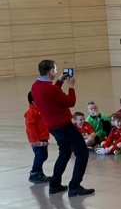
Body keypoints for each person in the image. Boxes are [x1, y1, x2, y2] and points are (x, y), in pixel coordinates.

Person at [30, 60, 92, 197]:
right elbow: (70, 102)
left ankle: (55, 184)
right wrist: (71, 86)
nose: (56, 72)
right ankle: (75, 185)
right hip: (63, 125)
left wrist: (59, 81)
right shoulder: (50, 89)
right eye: (55, 69)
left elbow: (52, 96)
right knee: (82, 152)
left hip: (52, 126)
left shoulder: (35, 86)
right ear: (51, 71)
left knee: (64, 152)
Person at [25, 92, 50, 185]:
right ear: (34, 102)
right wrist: (35, 140)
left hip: (43, 137)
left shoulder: (39, 111)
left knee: (43, 155)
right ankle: (34, 173)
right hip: (37, 139)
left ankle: (39, 172)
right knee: (40, 156)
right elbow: (30, 127)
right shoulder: (31, 112)